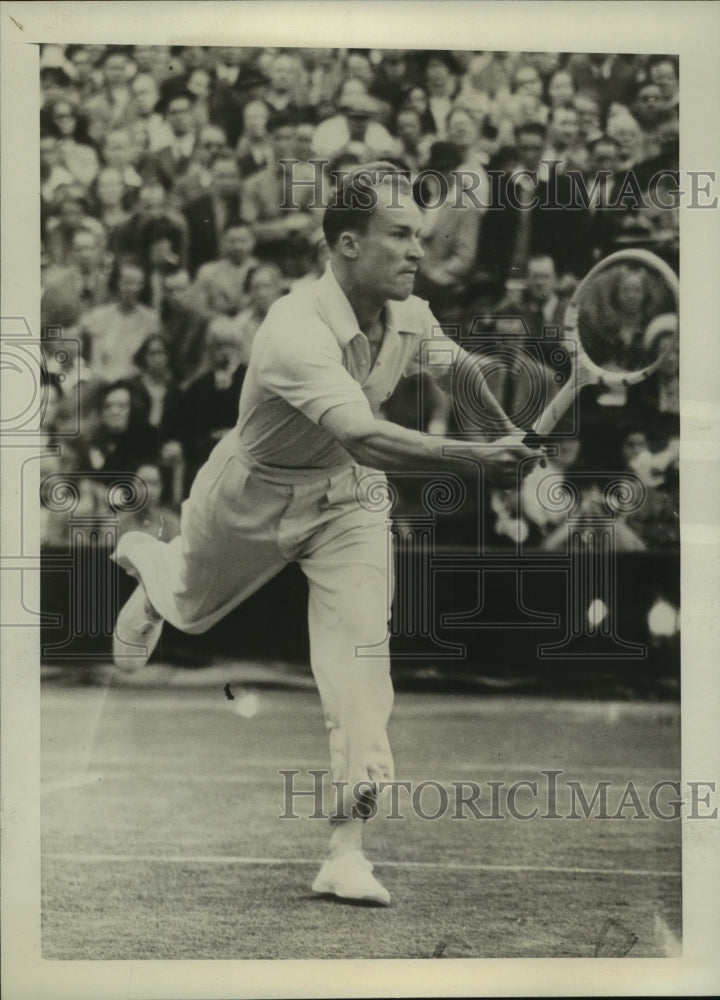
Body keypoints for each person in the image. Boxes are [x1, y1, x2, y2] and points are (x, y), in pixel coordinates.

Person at [111, 164, 538, 906]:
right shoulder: (293, 328)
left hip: (347, 501)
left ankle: (346, 850)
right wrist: (478, 460)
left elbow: (460, 374)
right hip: (249, 495)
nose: (417, 252)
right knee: (185, 601)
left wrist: (509, 441)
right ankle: (153, 568)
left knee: (361, 663)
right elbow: (367, 435)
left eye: (421, 237)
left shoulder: (410, 314)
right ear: (345, 243)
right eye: (399, 236)